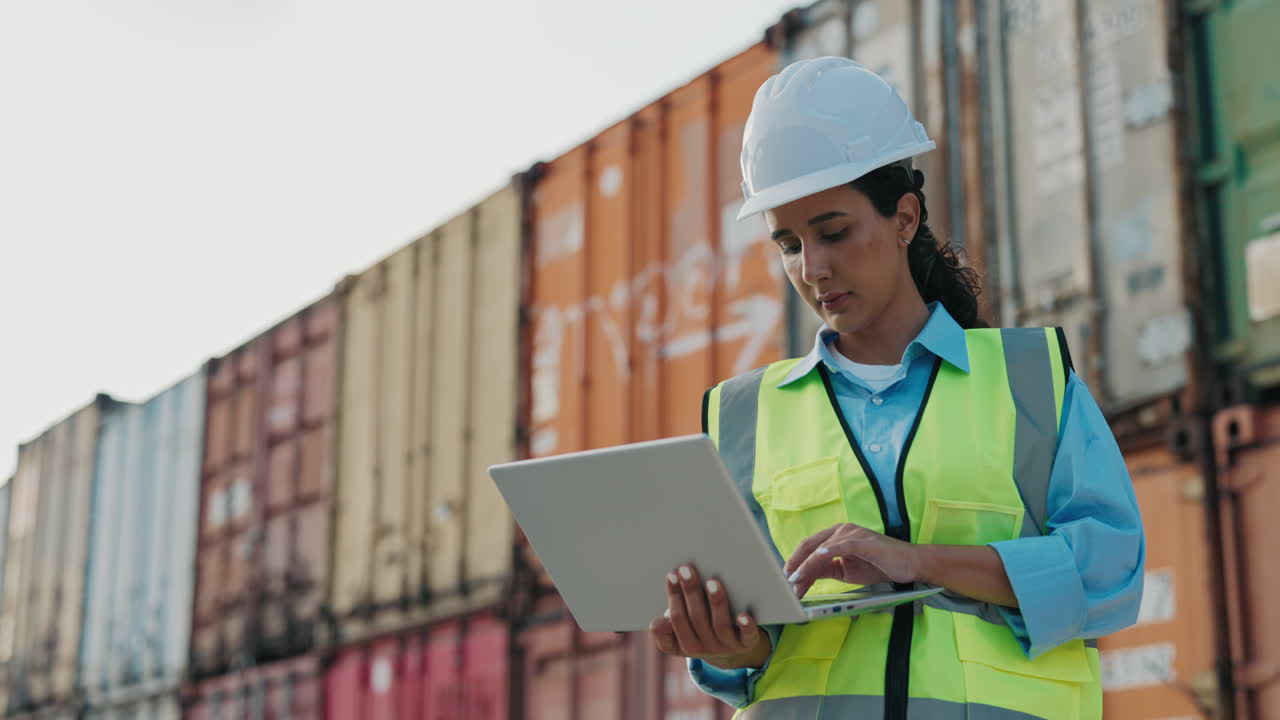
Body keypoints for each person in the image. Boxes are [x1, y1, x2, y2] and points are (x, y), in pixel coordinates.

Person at [647, 57, 1144, 720]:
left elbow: (1109, 573)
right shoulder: (743, 416)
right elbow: (752, 644)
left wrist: (916, 560)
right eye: (788, 244)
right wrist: (730, 648)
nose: (812, 269)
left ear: (905, 217)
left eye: (833, 232)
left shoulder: (1029, 379)